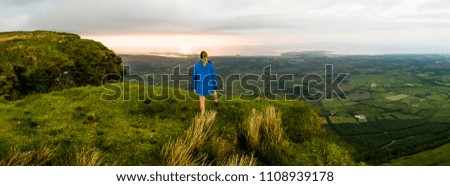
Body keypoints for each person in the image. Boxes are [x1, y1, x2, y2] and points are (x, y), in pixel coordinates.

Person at [192, 51, 219, 115]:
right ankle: (216, 102)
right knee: (214, 91)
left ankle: (202, 114)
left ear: (200, 57)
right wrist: (215, 86)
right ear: (207, 56)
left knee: (201, 98)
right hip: (209, 85)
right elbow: (213, 77)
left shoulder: (196, 66)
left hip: (200, 85)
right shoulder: (210, 66)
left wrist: (194, 87)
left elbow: (194, 77)